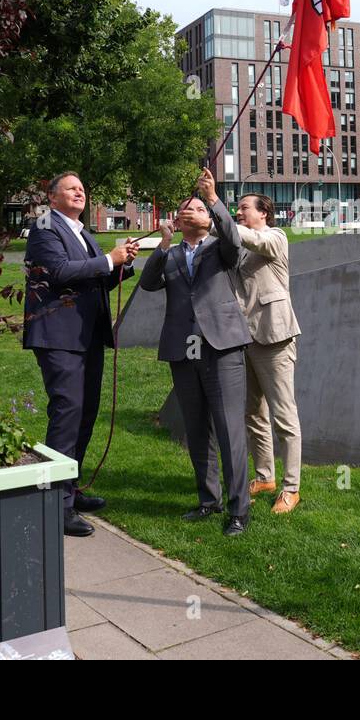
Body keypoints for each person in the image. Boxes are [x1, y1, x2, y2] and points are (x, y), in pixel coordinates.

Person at [138, 170, 253, 535]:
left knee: (229, 427)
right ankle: (208, 500)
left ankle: (239, 510)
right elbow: (148, 282)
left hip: (222, 347)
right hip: (182, 349)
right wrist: (162, 243)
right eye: (187, 207)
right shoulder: (170, 255)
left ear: (208, 219)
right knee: (196, 429)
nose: (192, 210)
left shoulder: (221, 248)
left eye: (199, 209)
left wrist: (214, 198)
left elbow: (235, 242)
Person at [23, 172, 138, 536]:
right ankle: (57, 506)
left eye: (82, 189)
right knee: (67, 414)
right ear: (51, 196)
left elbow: (95, 278)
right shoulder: (44, 226)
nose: (79, 192)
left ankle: (70, 487)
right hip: (58, 336)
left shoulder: (81, 231)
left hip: (87, 336)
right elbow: (58, 272)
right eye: (71, 188)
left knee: (86, 413)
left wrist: (123, 264)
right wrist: (109, 258)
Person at [234, 192, 303, 514]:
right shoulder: (241, 248)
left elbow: (252, 240)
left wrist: (216, 214)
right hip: (245, 340)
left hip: (275, 340)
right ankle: (265, 477)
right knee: (253, 414)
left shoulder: (276, 237)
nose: (239, 212)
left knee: (284, 418)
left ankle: (291, 488)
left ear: (263, 213)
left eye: (244, 208)